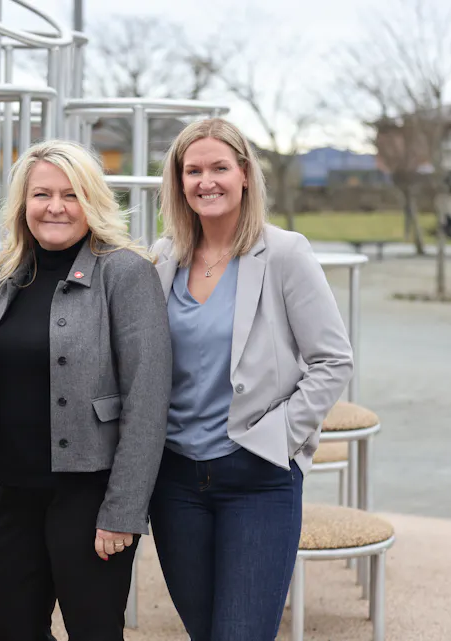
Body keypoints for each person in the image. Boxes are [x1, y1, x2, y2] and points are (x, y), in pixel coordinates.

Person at [149, 118, 354, 641]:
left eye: (219, 167)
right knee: (203, 631)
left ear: (244, 174)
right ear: (178, 181)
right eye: (192, 170)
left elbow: (333, 360)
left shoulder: (284, 253)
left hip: (257, 479)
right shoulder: (162, 258)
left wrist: (281, 437)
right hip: (175, 482)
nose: (206, 181)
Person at [0, 139, 172, 641]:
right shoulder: (8, 275)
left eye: (71, 194)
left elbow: (147, 400)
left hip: (90, 495)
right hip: (15, 493)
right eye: (41, 194)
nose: (55, 206)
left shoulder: (126, 272)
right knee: (9, 631)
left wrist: (123, 511)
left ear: (92, 201)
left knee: (94, 633)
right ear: (23, 204)